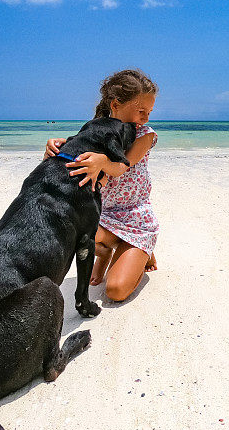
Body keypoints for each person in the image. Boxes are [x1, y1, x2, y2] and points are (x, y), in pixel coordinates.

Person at [43, 69, 159, 302]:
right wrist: (54, 150)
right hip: (103, 217)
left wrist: (103, 161)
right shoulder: (95, 129)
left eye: (149, 112)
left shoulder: (144, 134)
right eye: (141, 111)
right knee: (67, 232)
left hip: (135, 218)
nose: (146, 117)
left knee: (115, 291)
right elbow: (71, 162)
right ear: (116, 104)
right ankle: (105, 254)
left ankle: (143, 247)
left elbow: (121, 166)